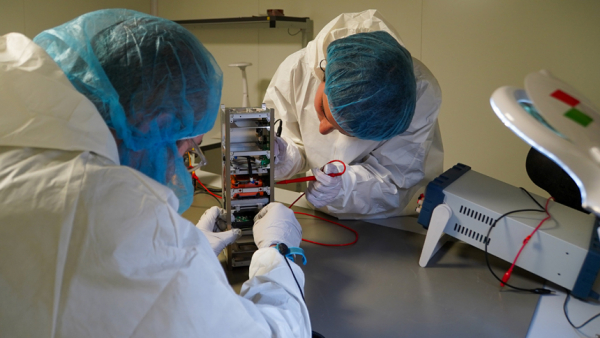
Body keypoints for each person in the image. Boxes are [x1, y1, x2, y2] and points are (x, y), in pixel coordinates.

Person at [0, 9, 310, 337]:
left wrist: (188, 251)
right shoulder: (114, 215)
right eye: (185, 150)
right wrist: (278, 254)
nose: (180, 167)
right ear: (154, 123)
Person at [265, 10, 443, 219]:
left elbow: (395, 180)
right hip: (320, 216)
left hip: (387, 222)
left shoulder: (420, 93)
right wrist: (284, 154)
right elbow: (295, 143)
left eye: (348, 133)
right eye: (322, 111)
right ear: (324, 71)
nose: (321, 130)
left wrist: (344, 186)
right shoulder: (296, 71)